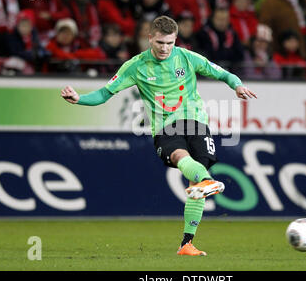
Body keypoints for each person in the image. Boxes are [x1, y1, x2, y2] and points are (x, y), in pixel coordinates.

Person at [60, 15, 257, 256]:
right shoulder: (136, 66)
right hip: (165, 126)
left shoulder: (187, 57)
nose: (165, 49)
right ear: (150, 37)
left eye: (170, 43)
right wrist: (79, 99)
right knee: (178, 156)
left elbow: (224, 74)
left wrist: (237, 85)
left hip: (196, 122)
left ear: (176, 40)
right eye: (160, 43)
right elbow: (104, 93)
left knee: (196, 184)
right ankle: (207, 182)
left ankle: (187, 243)